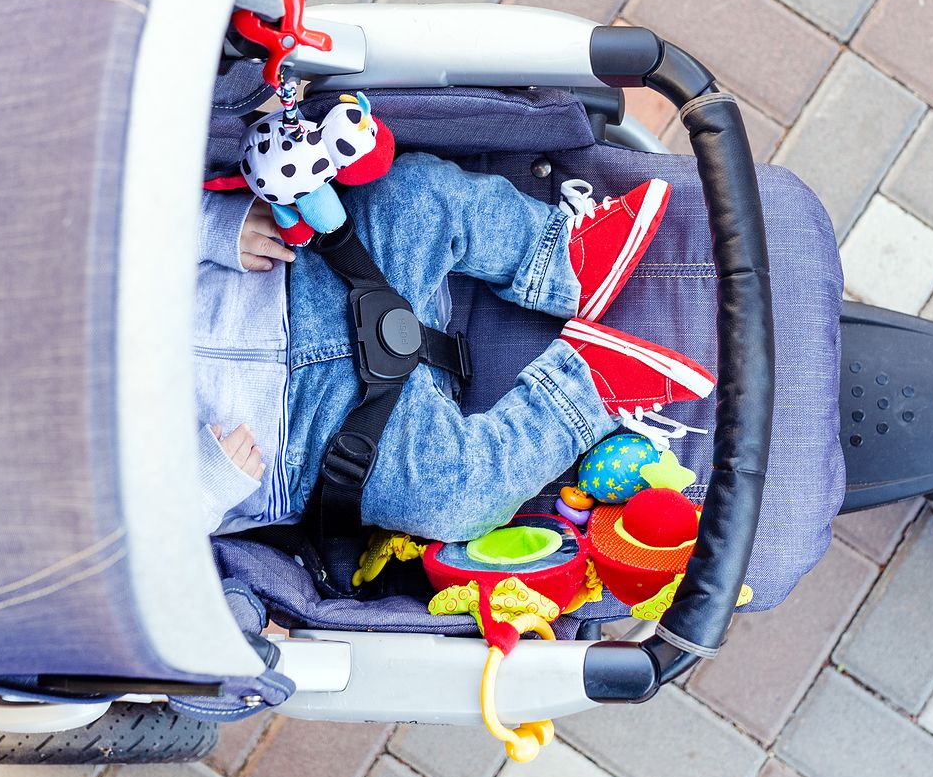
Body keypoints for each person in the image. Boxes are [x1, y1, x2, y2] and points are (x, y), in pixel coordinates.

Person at [194, 151, 714, 542]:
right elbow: (131, 563)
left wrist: (216, 228)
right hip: (309, 443)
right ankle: (586, 387)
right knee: (455, 499)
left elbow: (125, 222)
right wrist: (204, 489)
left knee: (409, 192)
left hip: (306, 275)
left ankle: (563, 257)